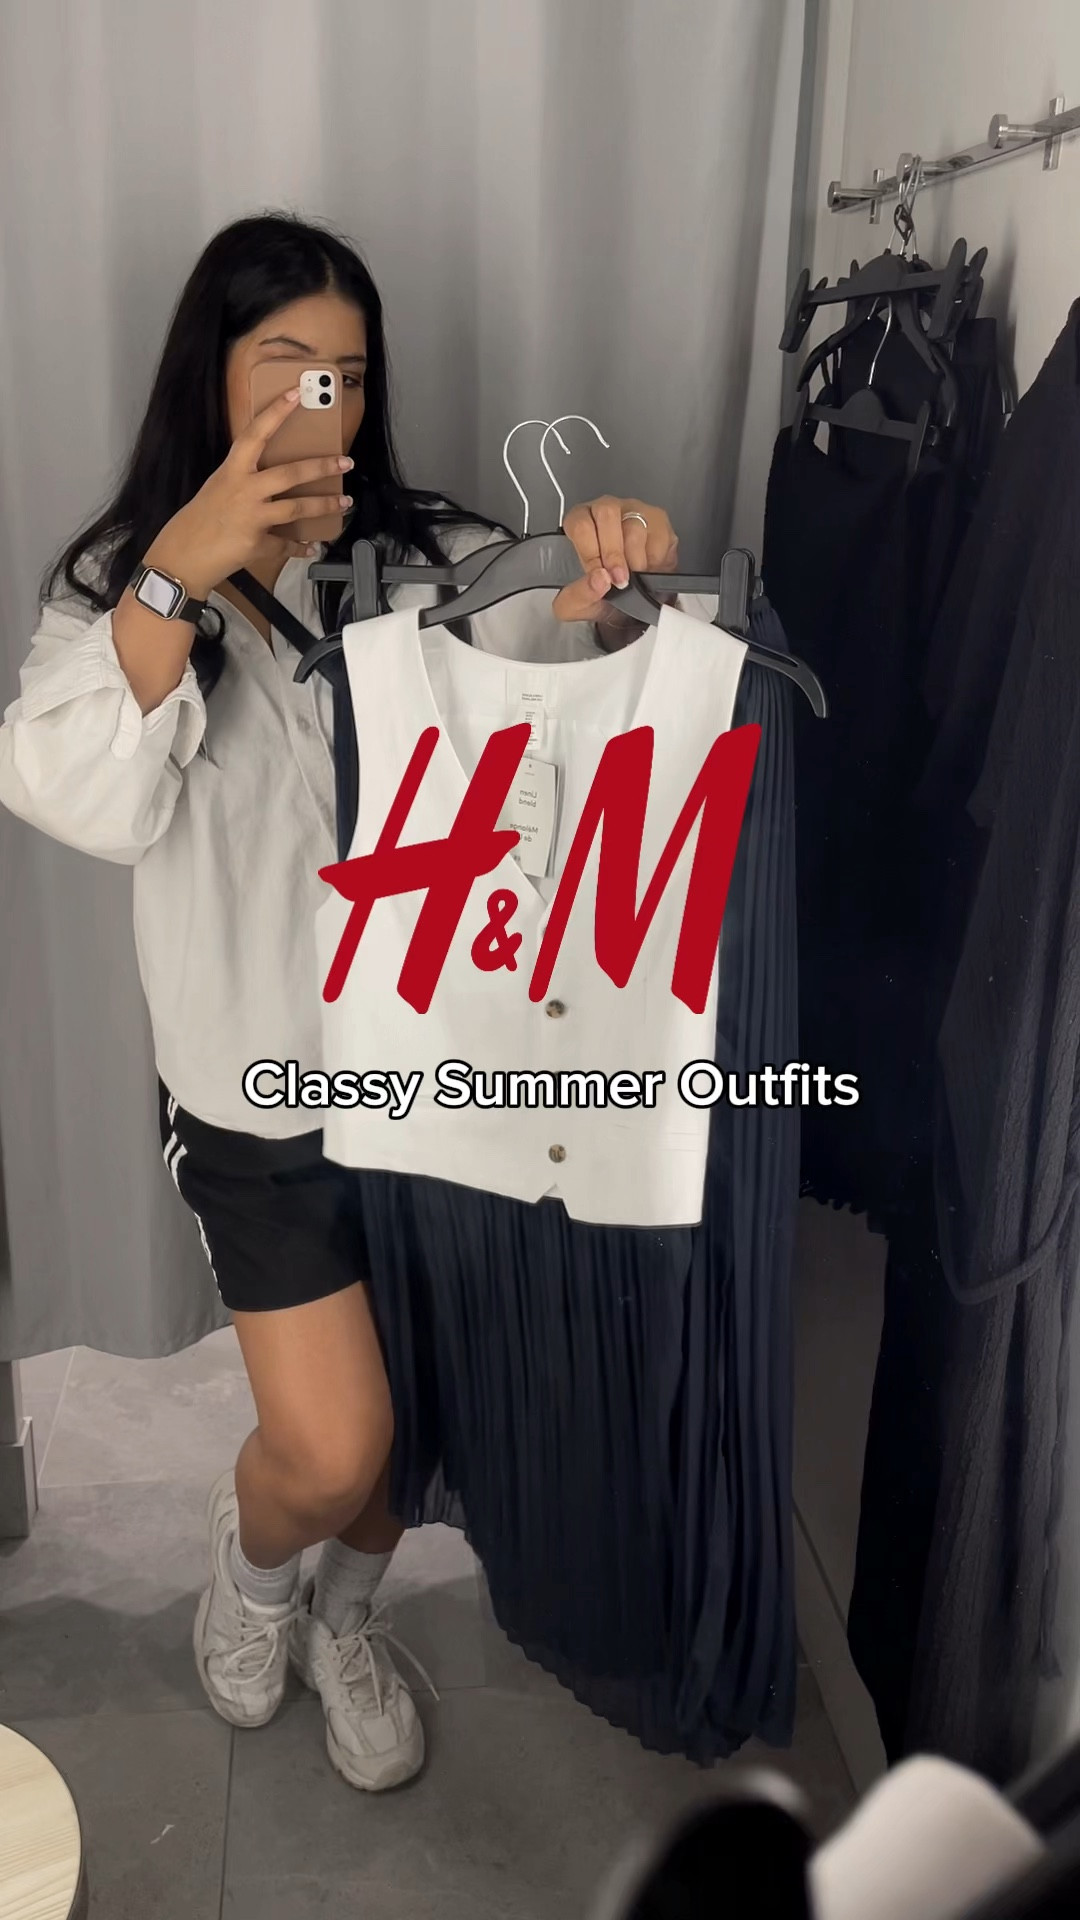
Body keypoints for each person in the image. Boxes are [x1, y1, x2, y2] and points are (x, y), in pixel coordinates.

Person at [0, 212, 680, 1792]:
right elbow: (78, 794)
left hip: (438, 1074)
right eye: (288, 366)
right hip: (257, 1094)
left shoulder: (432, 557)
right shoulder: (119, 588)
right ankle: (250, 1585)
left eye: (350, 376)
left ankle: (345, 1619)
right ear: (214, 375)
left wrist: (612, 577)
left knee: (413, 1408)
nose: (325, 404)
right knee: (328, 1444)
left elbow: (570, 692)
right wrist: (182, 572)